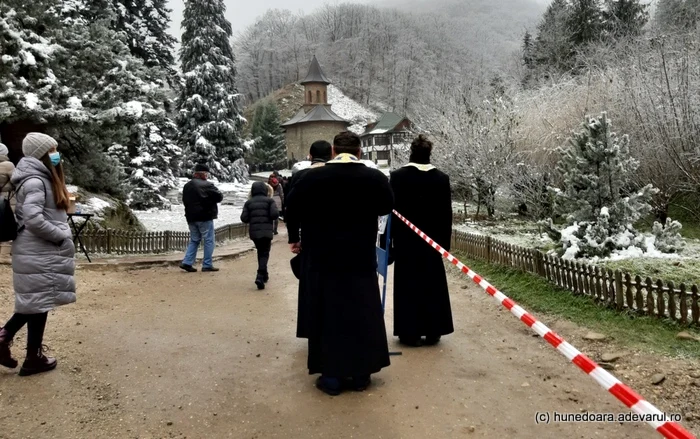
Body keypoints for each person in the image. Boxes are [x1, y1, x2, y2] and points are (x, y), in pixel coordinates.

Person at [285, 131, 394, 395]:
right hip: (358, 257)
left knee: (327, 314)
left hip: (322, 258)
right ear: (359, 152)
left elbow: (292, 208)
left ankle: (331, 376)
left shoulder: (311, 178)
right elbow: (386, 206)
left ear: (333, 151)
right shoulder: (375, 178)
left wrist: (295, 238)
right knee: (360, 313)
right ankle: (360, 375)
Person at [0, 132, 76, 376]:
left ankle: (33, 356)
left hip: (37, 250)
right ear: (42, 153)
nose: (56, 154)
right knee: (35, 302)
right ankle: (17, 347)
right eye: (52, 150)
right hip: (38, 249)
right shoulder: (35, 180)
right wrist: (60, 235)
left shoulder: (37, 177)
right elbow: (33, 218)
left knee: (37, 301)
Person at [385, 135, 454, 347]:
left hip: (406, 242)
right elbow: (446, 214)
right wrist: (443, 245)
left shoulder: (397, 177)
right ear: (429, 154)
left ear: (411, 153)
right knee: (433, 285)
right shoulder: (441, 179)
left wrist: (390, 243)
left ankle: (410, 332)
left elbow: (390, 211)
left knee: (408, 285)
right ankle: (434, 330)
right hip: (432, 243)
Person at [284, 140, 332, 339]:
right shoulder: (335, 175)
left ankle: (313, 327)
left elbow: (291, 210)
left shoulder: (300, 176)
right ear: (331, 154)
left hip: (311, 238)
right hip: (337, 238)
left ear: (310, 156)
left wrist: (294, 237)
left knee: (312, 285)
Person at [180, 164, 223, 273]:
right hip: (205, 216)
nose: (207, 175)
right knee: (209, 240)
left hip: (190, 217)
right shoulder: (207, 185)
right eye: (206, 173)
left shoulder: (187, 186)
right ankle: (207, 264)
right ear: (203, 173)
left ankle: (187, 262)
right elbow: (219, 197)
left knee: (194, 240)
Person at [240, 182, 279, 290]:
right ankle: (260, 276)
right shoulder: (270, 201)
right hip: (266, 232)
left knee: (261, 252)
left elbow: (244, 218)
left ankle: (264, 274)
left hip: (254, 233)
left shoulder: (249, 203)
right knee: (264, 253)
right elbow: (274, 215)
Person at [0, 141, 15, 254]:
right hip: (2, 200)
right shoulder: (8, 165)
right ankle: (5, 253)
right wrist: (6, 187)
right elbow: (16, 181)